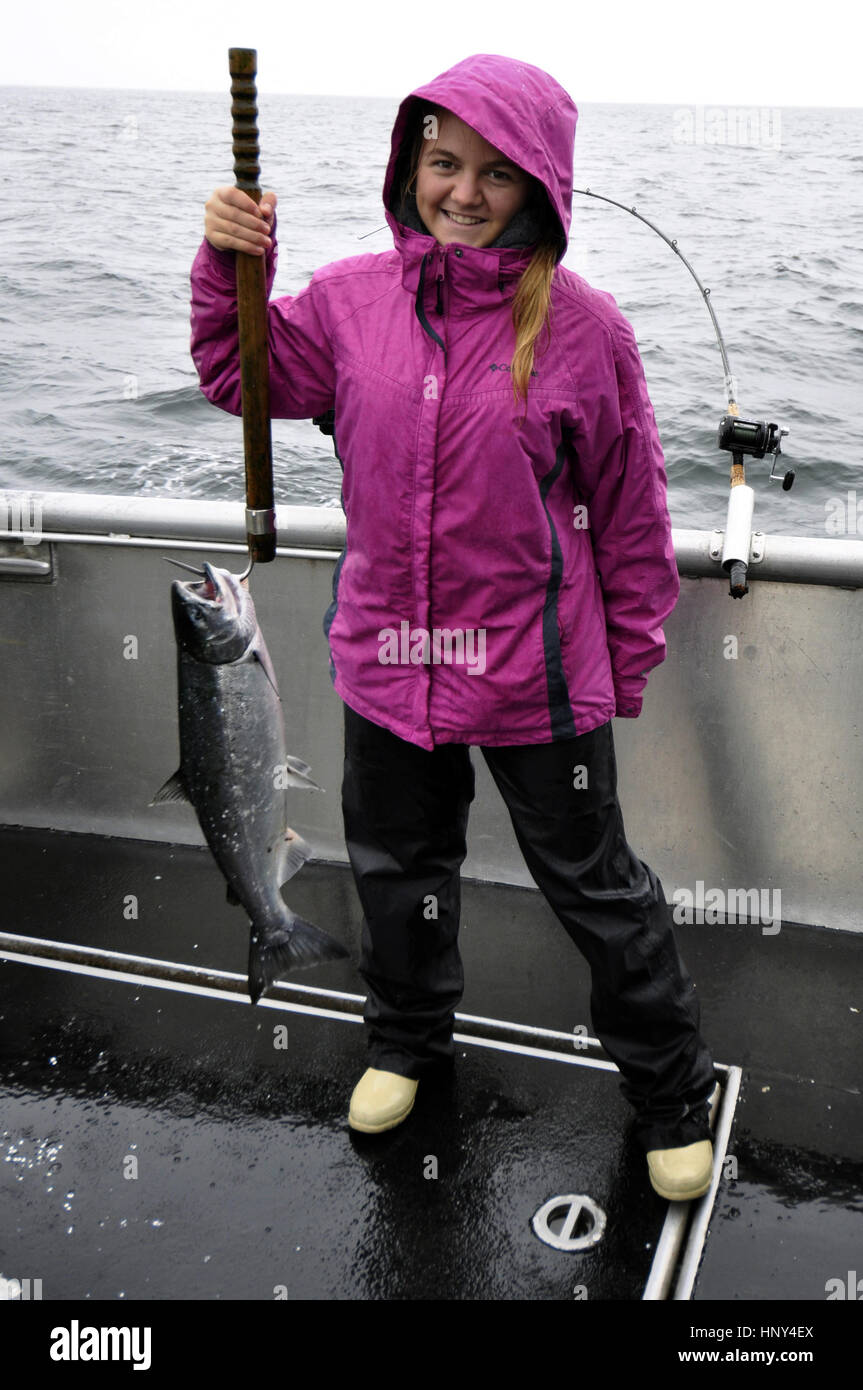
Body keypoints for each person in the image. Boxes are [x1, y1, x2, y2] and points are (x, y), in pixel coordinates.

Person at [190, 53, 719, 1201]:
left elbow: (629, 514)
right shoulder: (341, 302)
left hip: (536, 677)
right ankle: (404, 1044)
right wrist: (231, 261)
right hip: (389, 665)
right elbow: (238, 368)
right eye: (442, 163)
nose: (464, 192)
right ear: (407, 167)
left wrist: (622, 660)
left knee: (596, 888)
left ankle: (670, 1093)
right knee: (396, 873)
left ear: (538, 188)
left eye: (493, 172)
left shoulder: (587, 332)